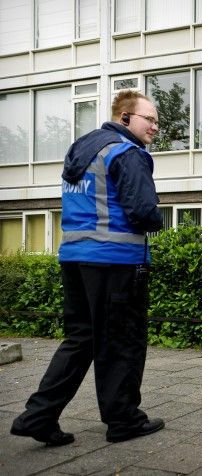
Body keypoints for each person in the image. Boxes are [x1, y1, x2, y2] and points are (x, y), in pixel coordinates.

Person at [10, 91, 165, 446]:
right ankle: (123, 420)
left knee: (81, 340)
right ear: (125, 118)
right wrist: (155, 218)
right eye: (149, 119)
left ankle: (39, 415)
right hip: (115, 262)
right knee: (120, 342)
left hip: (75, 258)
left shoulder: (82, 149)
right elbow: (143, 211)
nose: (155, 127)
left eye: (156, 121)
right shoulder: (127, 152)